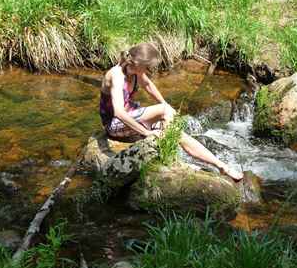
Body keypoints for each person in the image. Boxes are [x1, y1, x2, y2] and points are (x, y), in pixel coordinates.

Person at [99, 42, 244, 181]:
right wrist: (147, 132)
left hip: (132, 118)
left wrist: (165, 104)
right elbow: (118, 112)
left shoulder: (136, 71)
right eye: (149, 67)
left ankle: (221, 166)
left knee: (177, 133)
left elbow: (148, 85)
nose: (151, 70)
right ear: (139, 64)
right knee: (165, 115)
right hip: (114, 124)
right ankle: (169, 156)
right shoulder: (117, 76)